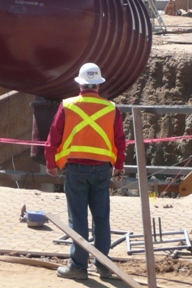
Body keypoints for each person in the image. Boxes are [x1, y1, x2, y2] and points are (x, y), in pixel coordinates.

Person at [45, 63, 126, 280]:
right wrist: (119, 167)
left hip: (76, 170)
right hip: (102, 170)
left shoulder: (68, 105)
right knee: (101, 219)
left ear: (80, 84)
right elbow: (120, 141)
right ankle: (103, 266)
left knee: (78, 219)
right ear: (98, 85)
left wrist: (51, 162)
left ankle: (78, 267)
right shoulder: (111, 108)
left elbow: (54, 136)